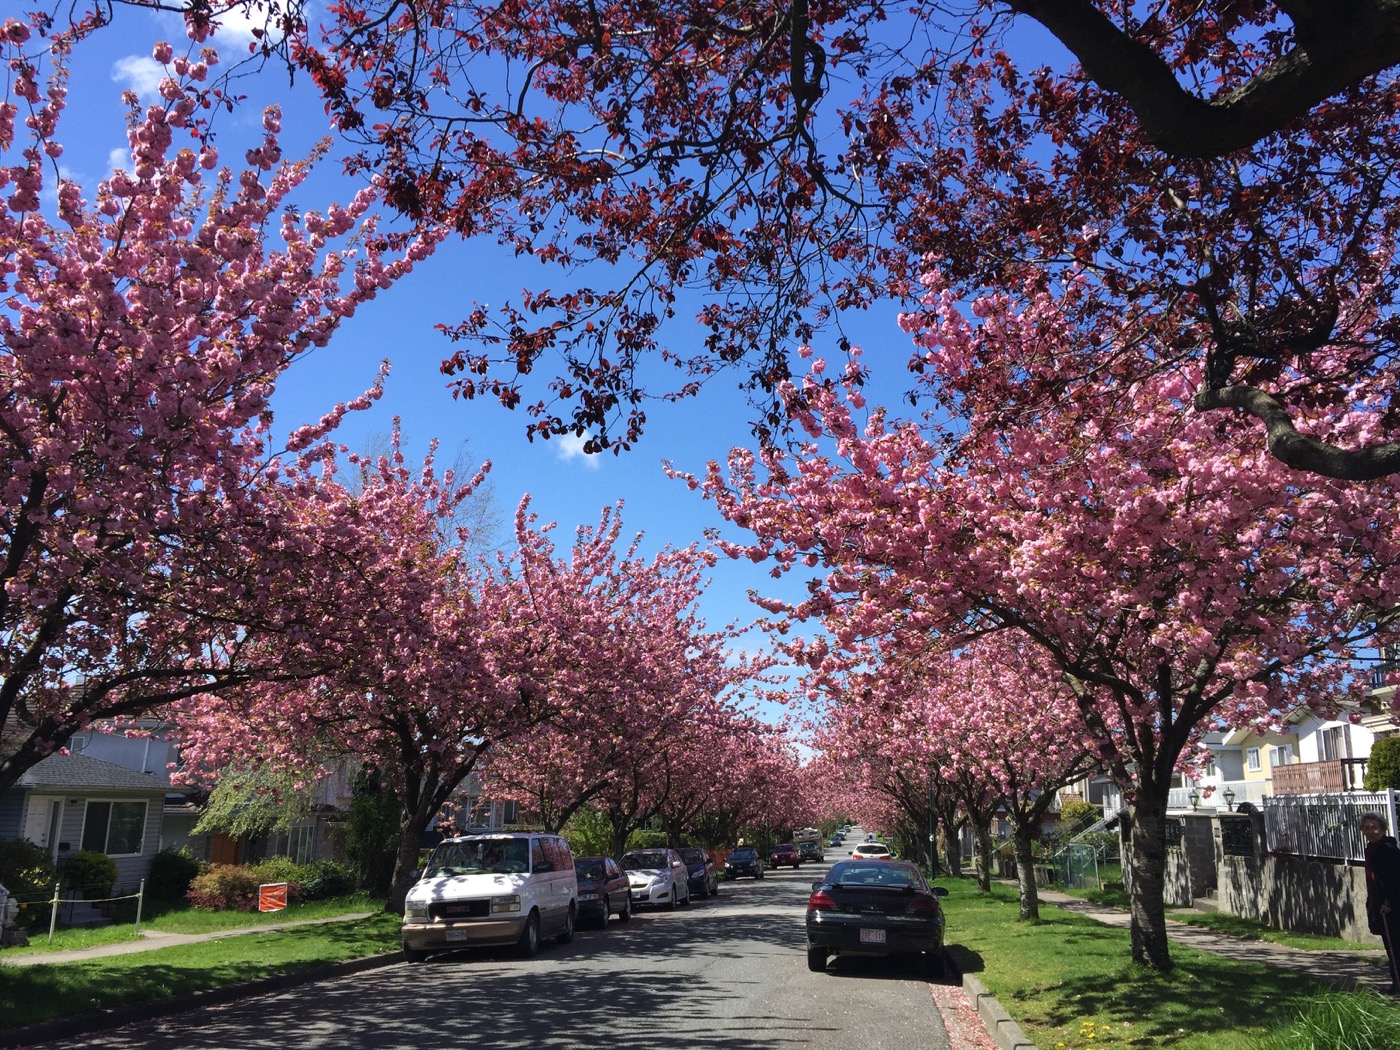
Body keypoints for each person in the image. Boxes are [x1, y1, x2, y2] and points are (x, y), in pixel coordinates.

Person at [1360, 811, 1400, 993]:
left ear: (1382, 829)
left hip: (1392, 907)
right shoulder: (1371, 849)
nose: (1371, 831)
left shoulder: (1389, 851)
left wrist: (1389, 902)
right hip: (1379, 905)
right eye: (1367, 828)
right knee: (1391, 948)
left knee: (1396, 947)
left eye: (1374, 828)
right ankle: (1396, 982)